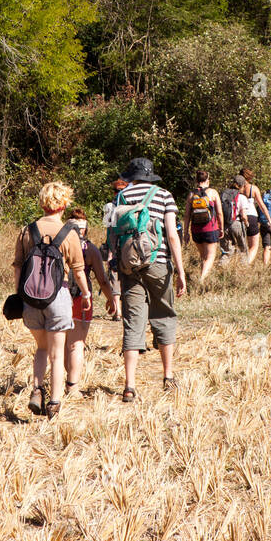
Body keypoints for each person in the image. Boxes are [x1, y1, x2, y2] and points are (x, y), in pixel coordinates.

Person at [13, 181, 92, 420]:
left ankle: (37, 389)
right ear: (64, 203)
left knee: (41, 348)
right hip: (58, 296)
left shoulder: (28, 230)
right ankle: (54, 403)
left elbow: (18, 266)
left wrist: (20, 294)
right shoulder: (69, 233)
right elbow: (78, 270)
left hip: (31, 298)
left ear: (42, 203)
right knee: (58, 354)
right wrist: (86, 294)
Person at [110, 157, 187, 402]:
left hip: (129, 266)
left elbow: (111, 236)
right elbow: (172, 236)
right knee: (164, 314)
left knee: (133, 321)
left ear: (131, 175)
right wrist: (181, 271)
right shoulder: (164, 195)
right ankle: (168, 376)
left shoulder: (119, 197)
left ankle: (130, 386)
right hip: (158, 262)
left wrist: (115, 268)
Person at [64, 208, 116, 395]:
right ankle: (73, 385)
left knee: (63, 341)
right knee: (77, 343)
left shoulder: (58, 244)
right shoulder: (90, 249)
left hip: (59, 297)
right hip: (81, 297)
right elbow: (102, 279)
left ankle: (64, 379)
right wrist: (111, 299)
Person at [182, 169, 224, 283]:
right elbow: (219, 213)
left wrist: (185, 233)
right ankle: (201, 280)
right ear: (208, 180)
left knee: (203, 257)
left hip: (196, 230)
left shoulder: (191, 194)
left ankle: (203, 277)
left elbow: (186, 215)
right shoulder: (213, 193)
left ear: (196, 180)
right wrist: (221, 228)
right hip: (210, 228)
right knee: (210, 257)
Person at [101, 178, 127, 319]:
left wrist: (110, 251)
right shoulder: (132, 206)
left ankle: (117, 311)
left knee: (114, 277)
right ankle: (121, 310)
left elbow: (109, 228)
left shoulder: (109, 207)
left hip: (115, 246)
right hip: (130, 247)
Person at [237, 168, 271, 265]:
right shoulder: (253, 188)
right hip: (252, 217)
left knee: (243, 245)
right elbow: (262, 206)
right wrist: (269, 220)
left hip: (239, 217)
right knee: (254, 246)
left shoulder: (237, 188)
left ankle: (242, 263)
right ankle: (245, 264)